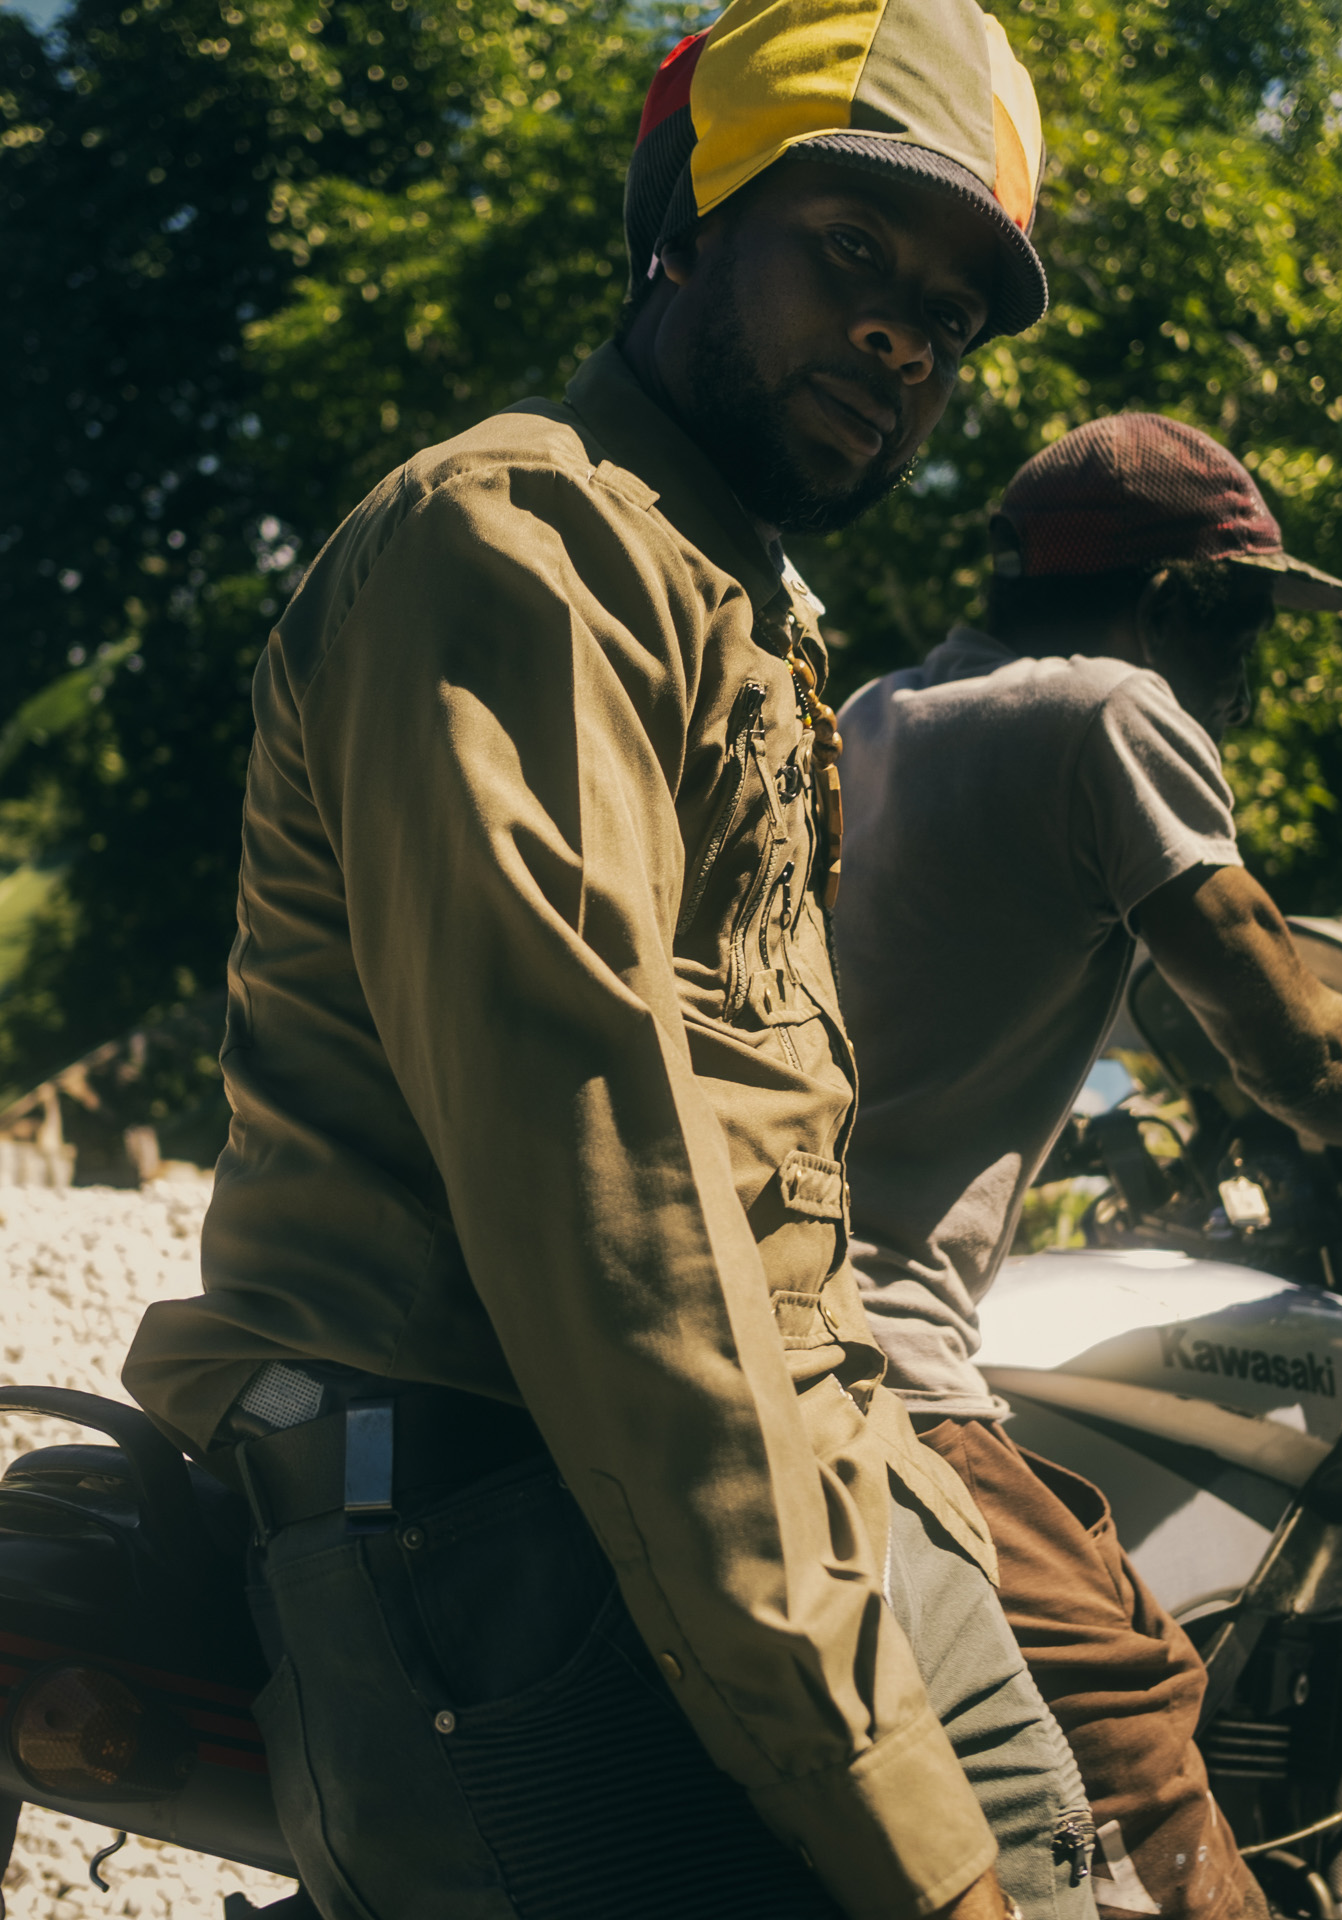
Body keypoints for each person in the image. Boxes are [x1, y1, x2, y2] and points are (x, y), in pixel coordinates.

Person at [121, 5, 1097, 1917]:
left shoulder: (740, 596)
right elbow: (625, 1254)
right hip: (505, 1534)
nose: (904, 336)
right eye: (852, 253)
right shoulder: (517, 552)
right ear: (687, 225)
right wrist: (884, 1796)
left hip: (753, 1498)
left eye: (952, 317)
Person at [832, 413, 1342, 1920]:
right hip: (874, 1345)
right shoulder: (1110, 713)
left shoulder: (879, 713)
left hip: (777, 1285)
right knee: (1139, 1711)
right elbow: (1303, 1051)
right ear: (1172, 603)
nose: (1250, 681)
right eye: (1245, 630)